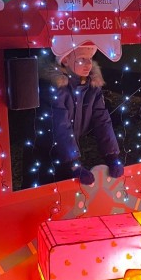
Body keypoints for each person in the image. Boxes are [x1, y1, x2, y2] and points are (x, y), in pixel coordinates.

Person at [23, 44, 123, 187]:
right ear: (65, 60)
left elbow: (102, 120)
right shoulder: (54, 87)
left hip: (66, 151)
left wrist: (112, 155)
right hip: (43, 153)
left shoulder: (91, 87)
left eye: (90, 58)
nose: (88, 64)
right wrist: (73, 164)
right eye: (81, 59)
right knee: (43, 190)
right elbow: (60, 126)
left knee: (66, 191)